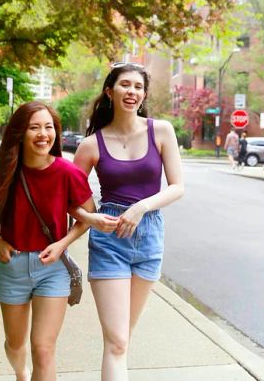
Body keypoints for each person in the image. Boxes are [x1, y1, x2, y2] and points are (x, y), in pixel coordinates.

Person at [0, 101, 117, 381]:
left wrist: (62, 244)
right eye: (34, 127)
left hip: (52, 269)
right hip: (13, 264)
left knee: (43, 348)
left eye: (49, 127)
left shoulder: (68, 173)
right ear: (20, 132)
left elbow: (87, 216)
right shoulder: (2, 168)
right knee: (15, 344)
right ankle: (21, 373)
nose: (43, 134)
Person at [73, 62, 184, 381]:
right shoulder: (91, 144)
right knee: (117, 342)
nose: (132, 92)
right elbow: (69, 194)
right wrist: (91, 217)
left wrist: (140, 208)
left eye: (138, 86)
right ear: (110, 92)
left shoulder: (161, 131)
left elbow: (177, 186)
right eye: (125, 85)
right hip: (110, 242)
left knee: (122, 340)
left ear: (144, 94)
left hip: (149, 237)